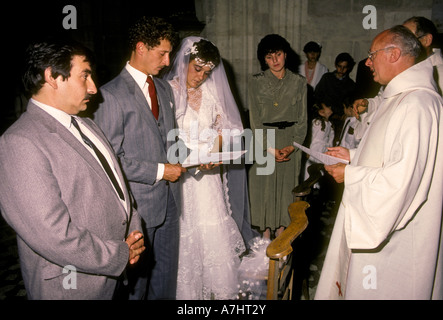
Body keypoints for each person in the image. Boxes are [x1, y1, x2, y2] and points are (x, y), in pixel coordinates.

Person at [0, 39, 145, 299]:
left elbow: (119, 188)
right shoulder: (20, 141)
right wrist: (119, 254)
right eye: (85, 76)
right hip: (73, 285)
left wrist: (133, 236)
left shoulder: (87, 124)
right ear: (52, 77)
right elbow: (52, 235)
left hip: (113, 275)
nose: (94, 88)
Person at [316, 25, 443, 299]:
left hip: (396, 239)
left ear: (394, 54)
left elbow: (403, 180)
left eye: (373, 54)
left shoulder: (417, 104)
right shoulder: (399, 97)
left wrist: (350, 175)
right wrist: (352, 156)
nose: (368, 62)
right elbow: (390, 154)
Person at [93, 17, 184, 300]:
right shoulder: (110, 96)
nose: (168, 62)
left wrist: (199, 158)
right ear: (141, 48)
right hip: (139, 210)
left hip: (171, 202)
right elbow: (110, 162)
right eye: (163, 54)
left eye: (170, 53)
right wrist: (160, 171)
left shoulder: (165, 88)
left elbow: (172, 141)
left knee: (166, 280)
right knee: (137, 287)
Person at [163, 36, 247, 300]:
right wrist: (189, 159)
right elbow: (166, 135)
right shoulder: (169, 91)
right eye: (197, 69)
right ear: (184, 61)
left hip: (209, 175)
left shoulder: (211, 92)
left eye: (207, 71)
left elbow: (225, 128)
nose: (201, 76)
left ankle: (219, 291)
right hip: (183, 176)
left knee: (213, 228)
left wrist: (215, 152)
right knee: (187, 229)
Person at [248, 34, 308, 240]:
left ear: (286, 55)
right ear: (263, 59)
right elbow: (254, 120)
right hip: (264, 142)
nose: (275, 60)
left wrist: (292, 146)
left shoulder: (299, 82)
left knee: (285, 191)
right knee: (263, 190)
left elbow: (303, 120)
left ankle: (282, 238)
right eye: (269, 56)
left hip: (290, 142)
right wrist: (269, 148)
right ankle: (264, 239)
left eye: (278, 54)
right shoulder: (256, 82)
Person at [315, 52, 356, 144]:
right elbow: (317, 95)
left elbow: (349, 103)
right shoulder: (327, 78)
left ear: (349, 68)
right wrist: (323, 107)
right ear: (335, 65)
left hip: (339, 121)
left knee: (335, 145)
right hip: (323, 117)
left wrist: (347, 112)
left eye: (344, 67)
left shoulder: (350, 84)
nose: (341, 70)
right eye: (339, 66)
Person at [303, 103, 334, 187]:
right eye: (327, 106)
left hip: (323, 151)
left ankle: (316, 188)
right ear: (321, 112)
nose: (330, 107)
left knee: (319, 171)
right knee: (310, 170)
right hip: (314, 150)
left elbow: (330, 140)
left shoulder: (329, 125)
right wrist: (308, 150)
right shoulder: (317, 123)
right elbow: (311, 137)